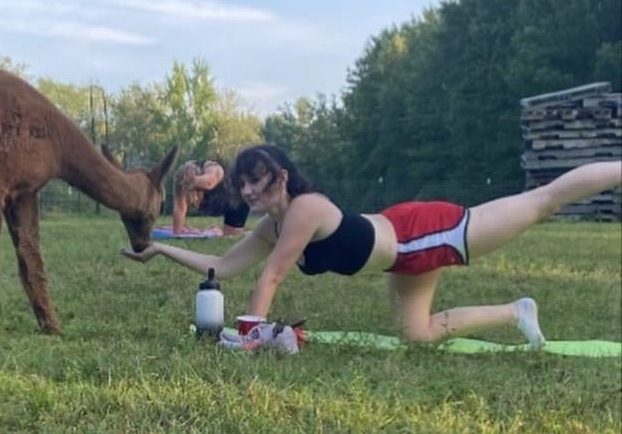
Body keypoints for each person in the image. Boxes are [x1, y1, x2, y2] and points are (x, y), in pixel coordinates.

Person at [124, 143, 622, 348]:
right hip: (402, 257)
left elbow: (272, 276)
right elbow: (223, 265)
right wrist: (160, 249)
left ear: (280, 177)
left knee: (542, 201)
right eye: (244, 185)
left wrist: (250, 339)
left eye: (257, 182)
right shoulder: (274, 226)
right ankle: (516, 311)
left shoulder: (305, 209)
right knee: (418, 335)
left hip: (427, 232)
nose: (249, 193)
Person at [172, 158, 250, 236]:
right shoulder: (182, 182)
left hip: (236, 202)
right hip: (219, 204)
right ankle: (216, 231)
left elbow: (210, 182)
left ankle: (252, 234)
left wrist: (195, 181)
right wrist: (177, 234)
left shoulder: (212, 167)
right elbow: (180, 209)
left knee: (231, 237)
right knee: (223, 235)